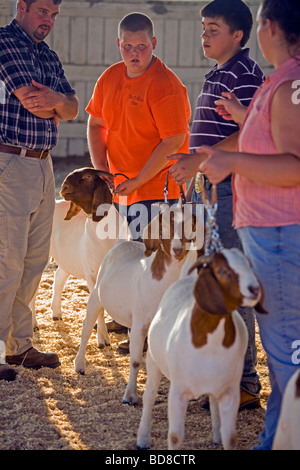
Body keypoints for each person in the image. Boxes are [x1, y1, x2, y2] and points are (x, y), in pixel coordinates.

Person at [184, 0, 300, 450]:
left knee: (287, 350)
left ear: (268, 27)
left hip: (278, 231)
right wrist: (242, 119)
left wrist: (227, 157)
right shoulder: (282, 79)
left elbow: (294, 163)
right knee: (284, 346)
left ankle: (278, 441)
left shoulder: (289, 82)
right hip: (270, 230)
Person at [168, 0, 265, 411]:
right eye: (203, 27)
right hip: (209, 192)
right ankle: (220, 373)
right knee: (211, 282)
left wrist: (197, 160)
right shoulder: (221, 72)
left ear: (238, 35)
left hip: (231, 193)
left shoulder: (244, 75)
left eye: (212, 28)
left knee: (230, 283)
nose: (204, 35)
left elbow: (252, 134)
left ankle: (243, 382)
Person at [86, 12, 191, 352]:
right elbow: (95, 123)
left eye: (142, 47)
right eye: (128, 46)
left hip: (159, 187)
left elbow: (173, 141)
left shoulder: (165, 85)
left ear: (154, 44)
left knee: (155, 261)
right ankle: (132, 315)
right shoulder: (110, 77)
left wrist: (137, 179)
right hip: (124, 186)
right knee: (132, 252)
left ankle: (148, 333)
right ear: (119, 44)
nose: (134, 53)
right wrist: (101, 168)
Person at [0, 0, 79, 381]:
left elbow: (73, 108)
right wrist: (55, 104)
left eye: (53, 15)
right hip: (11, 161)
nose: (48, 20)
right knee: (6, 261)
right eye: (43, 11)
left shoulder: (48, 55)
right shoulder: (3, 43)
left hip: (44, 162)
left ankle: (19, 345)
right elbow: (31, 101)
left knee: (34, 263)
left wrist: (60, 103)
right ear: (22, 6)